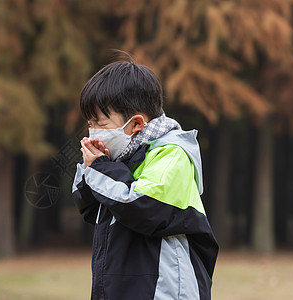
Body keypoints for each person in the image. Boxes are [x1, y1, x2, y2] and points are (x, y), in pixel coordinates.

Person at [72, 53, 218, 300]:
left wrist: (101, 168)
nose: (93, 130)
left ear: (136, 123)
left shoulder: (172, 153)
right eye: (89, 123)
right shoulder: (120, 159)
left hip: (163, 291)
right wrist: (94, 166)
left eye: (101, 122)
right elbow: (88, 207)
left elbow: (144, 206)